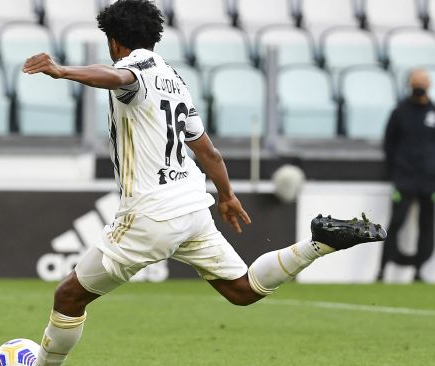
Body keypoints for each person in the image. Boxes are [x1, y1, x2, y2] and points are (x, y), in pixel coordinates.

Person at [21, 1, 386, 365]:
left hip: (152, 212)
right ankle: (317, 245)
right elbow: (208, 152)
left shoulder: (133, 71)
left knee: (68, 297)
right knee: (242, 290)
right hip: (193, 204)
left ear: (115, 41)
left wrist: (63, 70)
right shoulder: (175, 81)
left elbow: (118, 78)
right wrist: (226, 195)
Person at [378, 69, 435, 282]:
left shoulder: (433, 112)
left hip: (429, 182)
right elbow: (389, 144)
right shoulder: (400, 111)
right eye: (416, 82)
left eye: (423, 82)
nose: (419, 86)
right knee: (395, 224)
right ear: (410, 84)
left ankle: (419, 272)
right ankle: (381, 270)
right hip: (404, 179)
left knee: (426, 227)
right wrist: (396, 171)